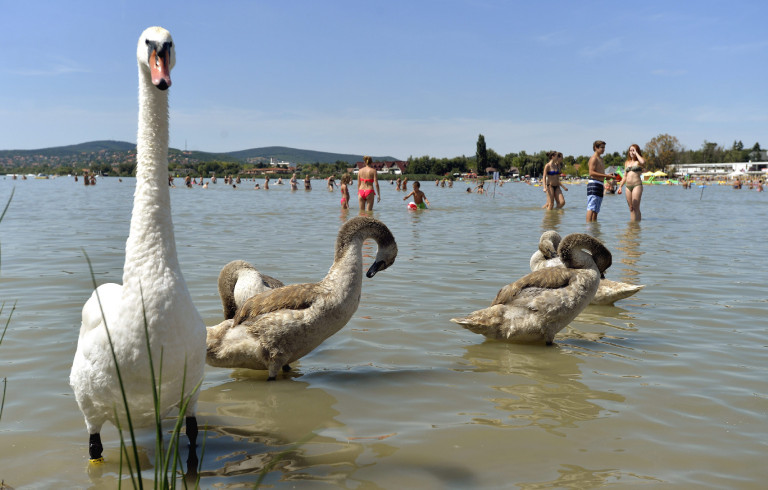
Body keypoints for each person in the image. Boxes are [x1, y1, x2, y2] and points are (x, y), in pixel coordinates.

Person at [586, 140, 617, 222]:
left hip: (600, 184)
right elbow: (591, 172)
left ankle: (594, 229)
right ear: (596, 148)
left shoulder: (601, 159)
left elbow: (601, 174)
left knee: (596, 209)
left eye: (604, 147)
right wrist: (606, 175)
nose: (603, 149)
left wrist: (609, 178)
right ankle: (588, 229)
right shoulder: (593, 158)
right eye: (602, 147)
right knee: (591, 207)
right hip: (593, 183)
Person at [616, 144, 646, 221]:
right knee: (631, 208)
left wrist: (636, 153)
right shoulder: (627, 162)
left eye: (633, 150)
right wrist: (620, 186)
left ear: (637, 151)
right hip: (628, 187)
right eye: (630, 150)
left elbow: (643, 162)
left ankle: (637, 226)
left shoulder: (639, 161)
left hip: (637, 185)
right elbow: (625, 176)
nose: (632, 152)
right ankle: (632, 226)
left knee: (636, 207)